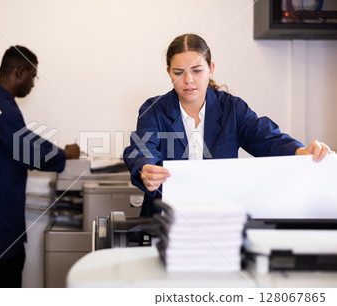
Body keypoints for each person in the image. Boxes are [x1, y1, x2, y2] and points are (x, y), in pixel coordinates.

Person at [123, 33, 334, 217]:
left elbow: (266, 137)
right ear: (169, 72)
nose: (188, 80)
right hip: (165, 218)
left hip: (221, 217)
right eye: (179, 72)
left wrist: (300, 152)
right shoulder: (154, 109)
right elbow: (142, 148)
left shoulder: (232, 109)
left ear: (210, 69)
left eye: (197, 70)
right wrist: (145, 169)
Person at [0, 45, 79, 287]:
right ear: (20, 72)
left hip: (0, 217)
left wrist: (61, 152)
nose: (33, 84)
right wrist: (65, 155)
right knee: (2, 282)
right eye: (33, 76)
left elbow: (25, 140)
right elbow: (29, 151)